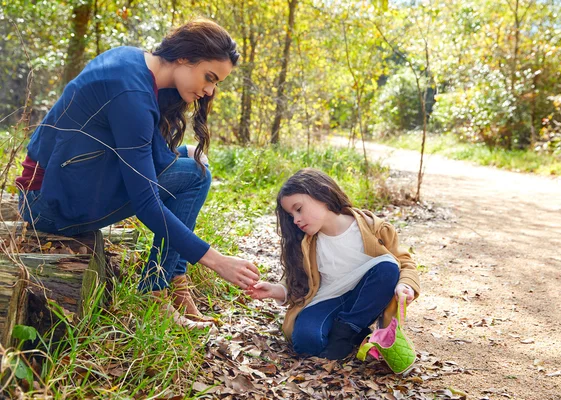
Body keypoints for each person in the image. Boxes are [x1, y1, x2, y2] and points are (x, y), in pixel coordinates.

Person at [15, 19, 259, 328]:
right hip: (47, 205)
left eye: (216, 83)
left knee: (192, 161)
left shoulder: (132, 60)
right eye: (209, 77)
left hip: (65, 182)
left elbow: (142, 151)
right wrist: (216, 261)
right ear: (184, 57)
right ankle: (155, 291)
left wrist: (183, 154)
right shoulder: (130, 93)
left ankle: (174, 278)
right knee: (196, 175)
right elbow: (146, 203)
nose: (209, 91)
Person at [246, 168, 421, 359]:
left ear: (322, 193)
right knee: (306, 342)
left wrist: (406, 285)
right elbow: (298, 282)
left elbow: (404, 262)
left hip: (366, 299)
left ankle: (345, 332)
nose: (296, 220)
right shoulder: (306, 242)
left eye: (298, 209)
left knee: (387, 267)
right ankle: (353, 334)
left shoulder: (374, 228)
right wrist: (275, 290)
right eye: (291, 215)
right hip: (326, 300)